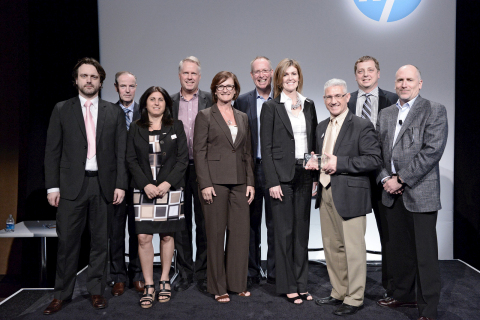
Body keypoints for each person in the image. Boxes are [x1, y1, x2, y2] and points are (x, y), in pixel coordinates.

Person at [43, 57, 127, 315]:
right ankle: (61, 294)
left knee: (101, 243)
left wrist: (120, 184)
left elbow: (120, 153)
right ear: (76, 80)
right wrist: (52, 187)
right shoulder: (61, 109)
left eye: (94, 76)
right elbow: (52, 151)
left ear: (101, 81)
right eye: (84, 76)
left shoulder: (114, 112)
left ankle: (97, 291)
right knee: (67, 243)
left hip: (103, 185)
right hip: (70, 187)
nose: (89, 80)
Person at [376, 65, 447, 320]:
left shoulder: (434, 110)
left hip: (420, 192)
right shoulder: (385, 114)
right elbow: (377, 152)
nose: (404, 84)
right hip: (391, 193)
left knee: (425, 256)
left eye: (409, 80)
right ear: (395, 84)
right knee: (399, 251)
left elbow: (432, 151)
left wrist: (401, 179)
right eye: (400, 80)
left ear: (420, 83)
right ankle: (403, 295)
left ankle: (428, 308)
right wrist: (385, 177)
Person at [311, 79, 381, 316]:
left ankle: (354, 297)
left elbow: (373, 160)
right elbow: (321, 159)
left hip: (351, 195)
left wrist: (339, 163)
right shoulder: (321, 127)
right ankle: (338, 292)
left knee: (353, 249)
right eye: (329, 97)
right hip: (325, 192)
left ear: (347, 97)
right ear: (324, 100)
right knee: (332, 248)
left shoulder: (361, 125)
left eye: (338, 96)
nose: (333, 101)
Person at [260, 58, 318, 305]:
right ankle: (287, 285)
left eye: (294, 74)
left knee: (301, 233)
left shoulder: (309, 104)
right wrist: (272, 181)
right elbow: (267, 147)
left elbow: (313, 143)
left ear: (299, 77)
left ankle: (302, 283)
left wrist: (315, 176)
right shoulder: (272, 107)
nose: (290, 78)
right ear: (279, 79)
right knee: (284, 233)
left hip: (304, 175)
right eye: (286, 75)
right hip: (281, 178)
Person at [193, 71, 255, 303]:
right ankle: (218, 286)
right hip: (215, 182)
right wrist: (205, 183)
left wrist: (250, 182)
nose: (226, 90)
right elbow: (199, 152)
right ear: (215, 90)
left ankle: (237, 283)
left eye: (230, 86)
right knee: (216, 235)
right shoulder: (205, 115)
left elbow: (247, 152)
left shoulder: (242, 117)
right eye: (221, 86)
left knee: (240, 235)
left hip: (240, 182)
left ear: (236, 89)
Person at [126, 86, 188, 308]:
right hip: (143, 191)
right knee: (143, 238)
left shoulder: (176, 126)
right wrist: (146, 185)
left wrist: (165, 183)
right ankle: (149, 284)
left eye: (160, 100)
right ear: (145, 104)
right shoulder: (135, 128)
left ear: (166, 104)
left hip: (169, 190)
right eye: (152, 99)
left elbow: (182, 159)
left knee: (166, 236)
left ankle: (164, 280)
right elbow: (131, 160)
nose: (156, 103)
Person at [347, 56, 398, 297]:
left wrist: (389, 175)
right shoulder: (348, 101)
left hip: (384, 178)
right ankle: (350, 286)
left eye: (370, 70)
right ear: (355, 75)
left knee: (388, 235)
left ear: (378, 73)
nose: (365, 74)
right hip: (354, 177)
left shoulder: (393, 100)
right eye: (360, 71)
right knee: (350, 236)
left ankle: (391, 286)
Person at [171, 56, 212, 293]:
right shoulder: (170, 101)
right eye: (185, 73)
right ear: (179, 75)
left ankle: (204, 272)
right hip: (177, 169)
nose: (189, 77)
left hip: (203, 168)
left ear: (199, 76)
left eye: (193, 73)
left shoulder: (209, 99)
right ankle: (184, 272)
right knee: (181, 223)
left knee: (205, 222)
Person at [233, 56, 275, 288]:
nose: (261, 75)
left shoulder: (282, 99)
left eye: (265, 71)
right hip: (250, 170)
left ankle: (274, 270)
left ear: (271, 72)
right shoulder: (241, 102)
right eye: (256, 72)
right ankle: (251, 270)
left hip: (275, 171)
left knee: (275, 222)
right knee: (249, 223)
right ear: (251, 75)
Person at [109, 71, 144, 296]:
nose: (128, 90)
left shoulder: (146, 111)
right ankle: (118, 277)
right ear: (116, 88)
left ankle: (137, 274)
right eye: (123, 86)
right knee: (116, 230)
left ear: (136, 87)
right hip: (115, 181)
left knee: (138, 230)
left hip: (140, 180)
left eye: (131, 86)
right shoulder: (109, 113)